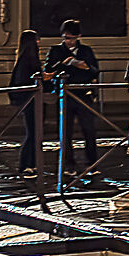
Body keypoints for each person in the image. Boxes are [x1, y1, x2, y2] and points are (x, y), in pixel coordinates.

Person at [43, 18, 101, 166]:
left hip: (83, 94)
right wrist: (63, 63)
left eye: (72, 38)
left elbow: (95, 71)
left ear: (78, 36)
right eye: (66, 38)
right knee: (65, 132)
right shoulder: (56, 51)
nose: (69, 41)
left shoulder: (86, 51)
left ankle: (92, 162)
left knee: (89, 130)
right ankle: (68, 164)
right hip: (65, 95)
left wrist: (86, 67)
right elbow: (48, 71)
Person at [8, 31, 45, 174]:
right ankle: (26, 164)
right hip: (31, 100)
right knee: (32, 133)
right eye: (36, 40)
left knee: (34, 132)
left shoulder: (24, 58)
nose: (38, 43)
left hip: (29, 100)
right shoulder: (28, 60)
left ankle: (33, 163)